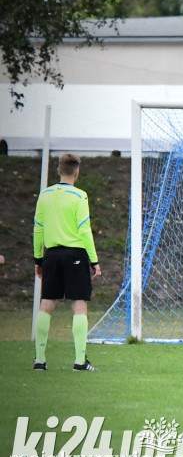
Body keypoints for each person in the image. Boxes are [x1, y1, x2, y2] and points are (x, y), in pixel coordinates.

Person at [32, 153, 101, 371]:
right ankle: (80, 362)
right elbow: (84, 230)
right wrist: (94, 260)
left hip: (51, 255)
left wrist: (38, 258)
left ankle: (40, 360)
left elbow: (38, 228)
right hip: (75, 255)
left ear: (58, 170)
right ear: (77, 172)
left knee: (46, 305)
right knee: (79, 305)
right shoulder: (80, 196)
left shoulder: (45, 195)